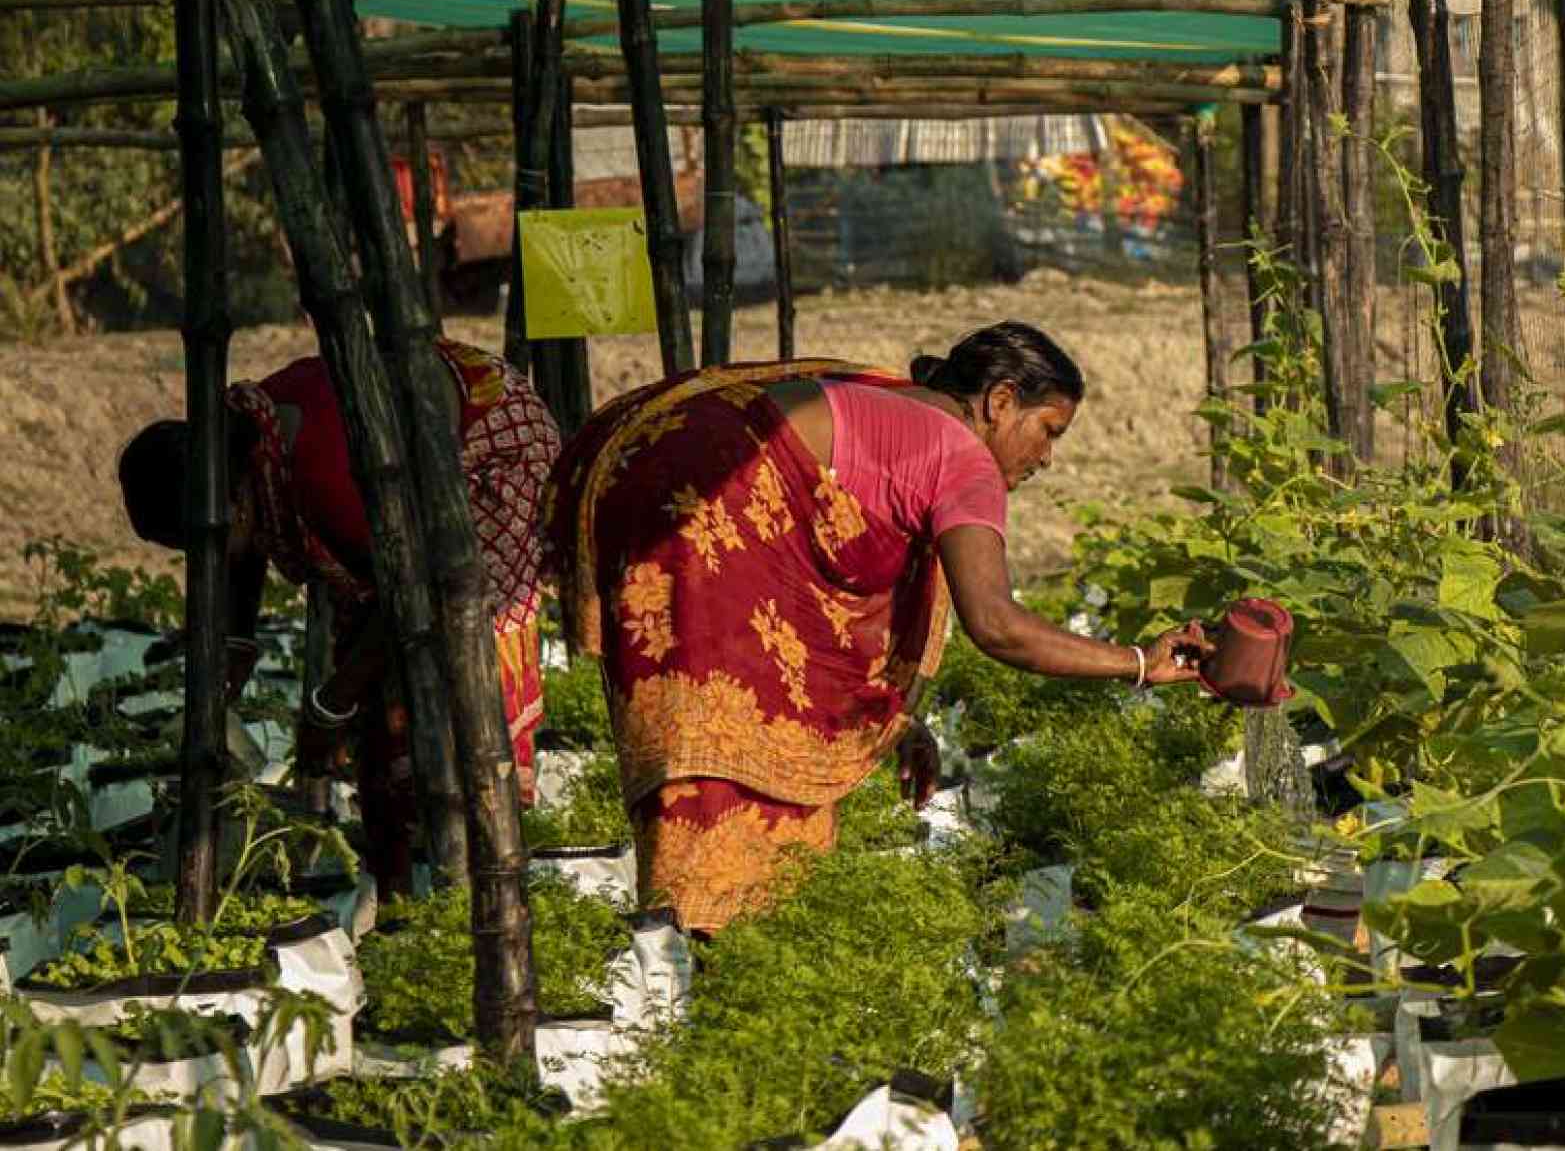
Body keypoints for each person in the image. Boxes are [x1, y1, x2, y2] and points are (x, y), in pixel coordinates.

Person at [542, 321, 1211, 933]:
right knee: (734, 761)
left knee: (718, 746)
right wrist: (1141, 663)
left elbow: (809, 625)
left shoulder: (904, 412)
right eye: (1049, 429)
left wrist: (891, 718)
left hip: (658, 480)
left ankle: (700, 954)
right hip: (708, 502)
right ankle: (711, 952)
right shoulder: (962, 455)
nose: (1048, 457)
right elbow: (998, 625)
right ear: (1001, 401)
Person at [119, 339, 560, 895]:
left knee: (447, 669)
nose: (209, 558)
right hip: (390, 515)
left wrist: (330, 708)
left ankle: (468, 880)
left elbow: (410, 590)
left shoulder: (324, 476)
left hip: (489, 451)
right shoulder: (242, 452)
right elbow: (239, 557)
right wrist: (228, 664)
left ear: (233, 499)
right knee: (375, 698)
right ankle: (399, 883)